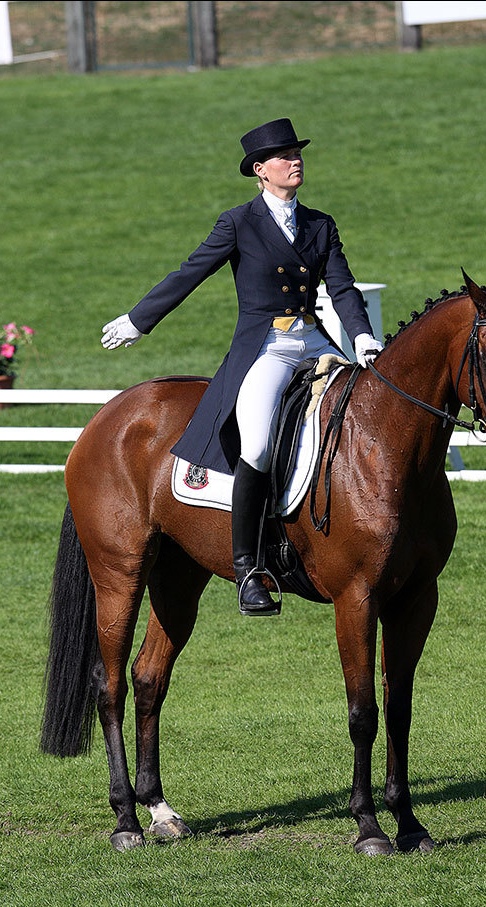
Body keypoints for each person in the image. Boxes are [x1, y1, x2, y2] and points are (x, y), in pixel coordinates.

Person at [102, 117, 382, 616]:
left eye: (298, 153)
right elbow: (190, 272)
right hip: (267, 348)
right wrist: (138, 320)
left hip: (316, 344)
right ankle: (249, 567)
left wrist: (362, 337)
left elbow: (342, 287)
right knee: (255, 444)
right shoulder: (238, 222)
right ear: (260, 169)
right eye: (284, 156)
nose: (295, 161)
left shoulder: (320, 224)